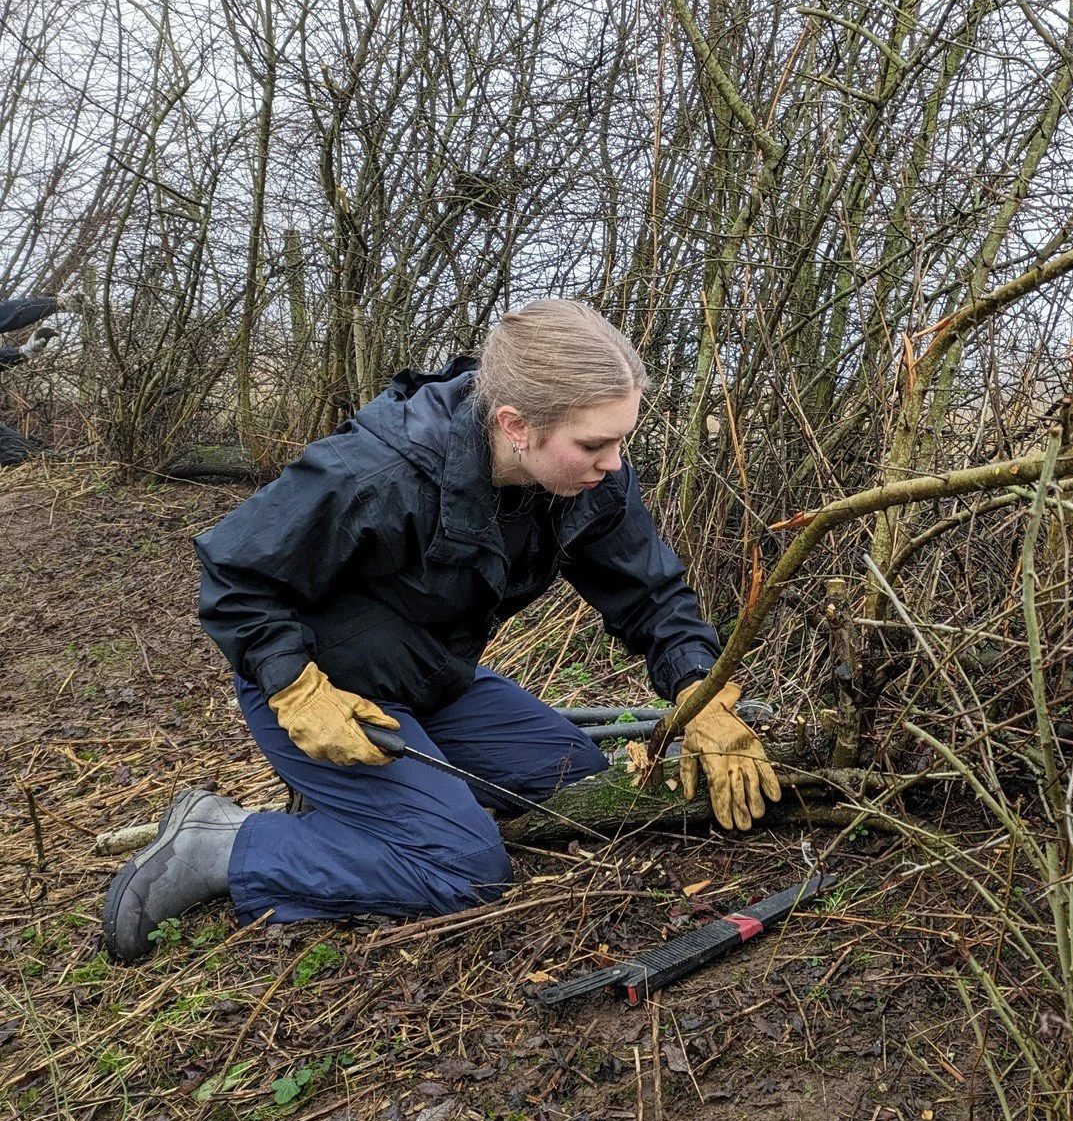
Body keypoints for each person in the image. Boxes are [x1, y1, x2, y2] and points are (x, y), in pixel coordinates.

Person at [102, 299, 780, 962]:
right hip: (321, 688)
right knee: (467, 870)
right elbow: (236, 572)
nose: (614, 462)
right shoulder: (381, 467)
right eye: (594, 444)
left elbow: (653, 595)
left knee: (576, 776)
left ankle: (375, 811)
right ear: (516, 425)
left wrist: (704, 695)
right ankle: (220, 843)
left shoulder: (594, 484)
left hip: (431, 677)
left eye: (622, 439)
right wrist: (293, 685)